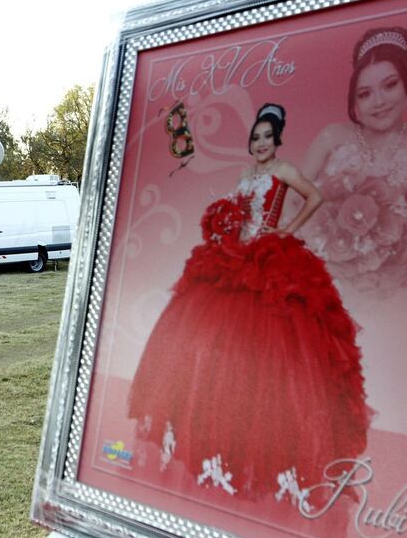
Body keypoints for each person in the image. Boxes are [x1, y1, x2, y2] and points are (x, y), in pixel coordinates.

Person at [127, 103, 372, 501]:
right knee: (215, 347)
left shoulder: (284, 171)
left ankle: (271, 451)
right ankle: (213, 436)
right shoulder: (245, 175)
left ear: (277, 139)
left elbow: (316, 197)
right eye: (255, 138)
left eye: (267, 137)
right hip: (235, 260)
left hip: (269, 261)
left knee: (276, 349)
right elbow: (234, 215)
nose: (261, 143)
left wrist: (284, 232)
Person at [301, 26, 407, 293]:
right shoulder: (332, 137)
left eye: (390, 85)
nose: (379, 101)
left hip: (389, 278)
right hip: (319, 268)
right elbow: (291, 200)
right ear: (355, 103)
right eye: (365, 93)